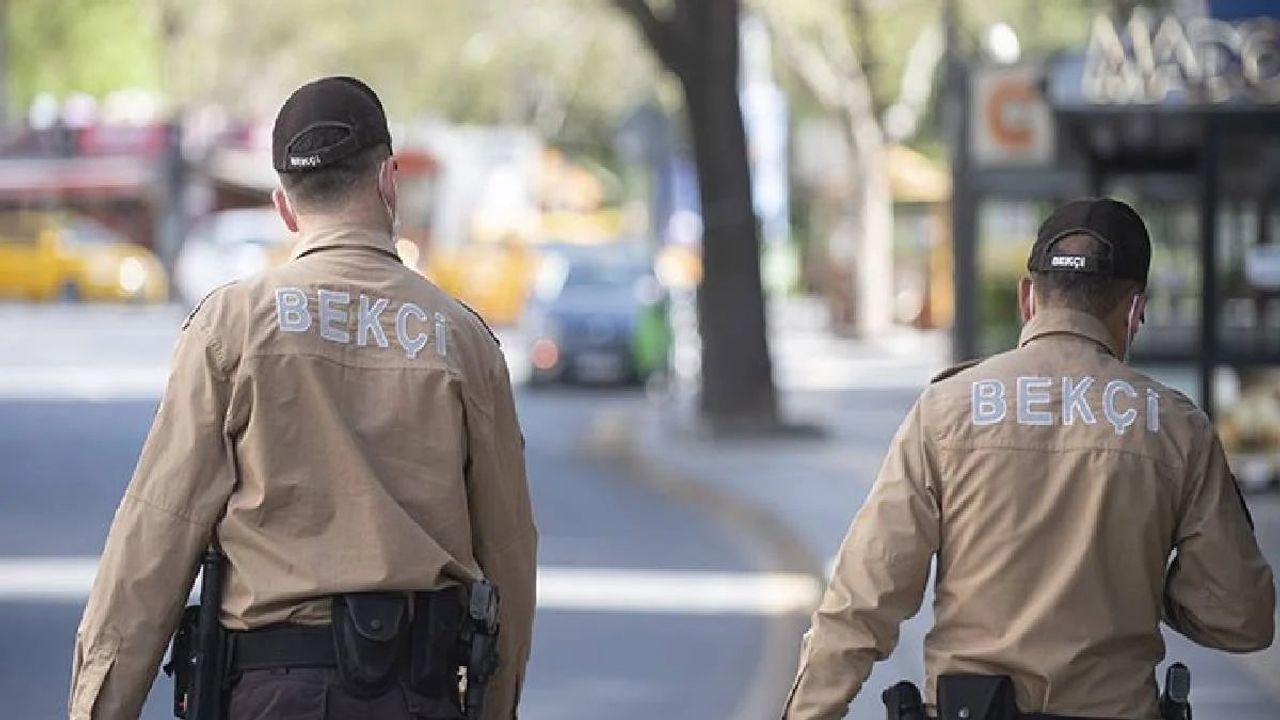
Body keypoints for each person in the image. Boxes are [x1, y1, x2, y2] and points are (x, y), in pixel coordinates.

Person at [68, 76, 536, 720]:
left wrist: (97, 707)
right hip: (420, 696)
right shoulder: (463, 341)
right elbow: (509, 552)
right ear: (388, 181)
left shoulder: (231, 328)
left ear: (285, 208)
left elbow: (155, 536)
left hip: (271, 695)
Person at [782, 198, 1275, 719]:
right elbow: (1241, 617)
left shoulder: (946, 410)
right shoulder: (1178, 428)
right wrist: (1142, 586)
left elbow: (863, 596)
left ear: (1028, 299)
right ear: (1134, 311)